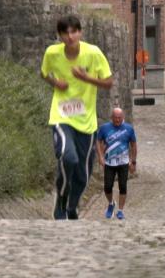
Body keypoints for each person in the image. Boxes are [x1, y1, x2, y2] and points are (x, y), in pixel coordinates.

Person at [40, 15, 114, 220]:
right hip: (61, 116)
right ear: (60, 36)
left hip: (86, 121)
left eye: (74, 32)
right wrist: (56, 83)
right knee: (68, 157)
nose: (70, 36)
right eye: (66, 33)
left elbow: (108, 82)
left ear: (80, 33)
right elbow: (44, 73)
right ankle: (61, 201)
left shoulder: (93, 53)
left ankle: (73, 206)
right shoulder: (52, 53)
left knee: (83, 175)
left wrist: (86, 78)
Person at [96, 108, 137, 220]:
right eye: (115, 118)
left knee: (123, 186)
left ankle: (120, 211)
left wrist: (133, 162)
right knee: (107, 187)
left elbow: (133, 145)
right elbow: (98, 141)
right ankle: (111, 203)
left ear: (123, 117)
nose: (117, 120)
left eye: (120, 118)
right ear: (111, 117)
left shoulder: (129, 129)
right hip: (109, 163)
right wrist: (100, 156)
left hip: (124, 162)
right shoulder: (105, 128)